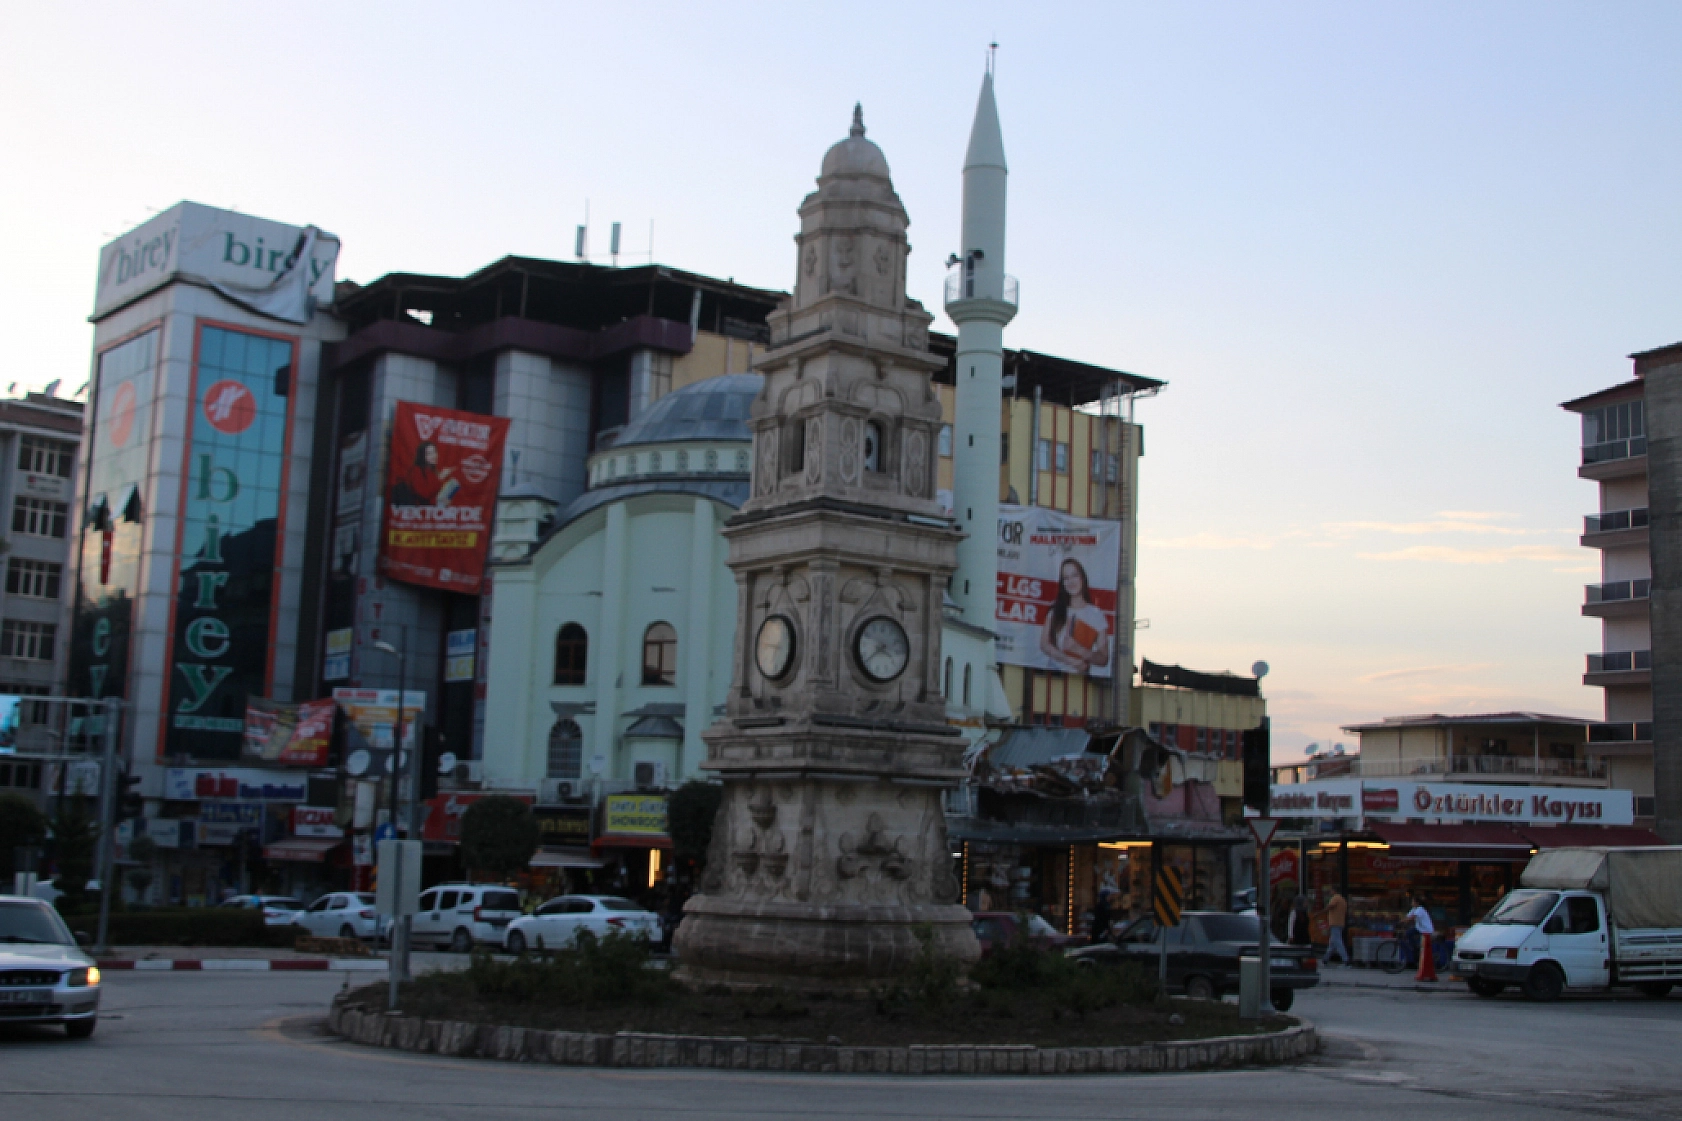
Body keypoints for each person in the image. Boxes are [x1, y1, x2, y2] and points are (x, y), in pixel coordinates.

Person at [1038, 558, 1111, 673]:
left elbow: (1103, 659)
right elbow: (1044, 644)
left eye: (1074, 575)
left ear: (1082, 577)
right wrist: (1068, 660)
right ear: (1062, 583)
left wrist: (1078, 649)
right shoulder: (1055, 610)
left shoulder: (1096, 615)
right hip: (1053, 676)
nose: (1071, 581)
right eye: (1066, 578)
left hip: (1081, 681)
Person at [393, 439, 457, 507]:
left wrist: (443, 500)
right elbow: (425, 494)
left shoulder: (432, 470)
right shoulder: (416, 470)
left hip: (431, 510)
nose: (434, 456)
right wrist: (440, 478)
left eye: (434, 452)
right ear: (422, 456)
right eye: (429, 453)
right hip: (417, 511)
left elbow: (435, 494)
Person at [1400, 894, 1436, 971]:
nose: (1411, 903)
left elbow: (1412, 917)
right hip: (1419, 928)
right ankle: (1415, 948)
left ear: (1416, 903)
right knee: (1408, 933)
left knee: (1413, 937)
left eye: (1412, 901)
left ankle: (1416, 950)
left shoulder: (1420, 909)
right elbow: (1408, 916)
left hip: (1425, 929)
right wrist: (1403, 922)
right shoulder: (1414, 909)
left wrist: (1404, 921)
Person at [1322, 889, 1350, 965]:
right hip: (1340, 922)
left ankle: (1345, 959)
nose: (1330, 892)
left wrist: (1320, 912)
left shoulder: (1335, 898)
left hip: (1335, 922)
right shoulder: (1343, 900)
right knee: (1332, 943)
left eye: (1331, 891)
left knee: (1337, 941)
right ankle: (1325, 959)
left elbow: (1331, 906)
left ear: (1334, 891)